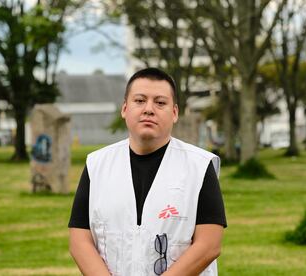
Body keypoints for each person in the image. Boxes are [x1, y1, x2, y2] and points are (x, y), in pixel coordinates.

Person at [68, 68, 227, 276]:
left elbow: (209, 244)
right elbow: (80, 240)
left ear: (175, 113)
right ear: (125, 108)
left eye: (160, 103)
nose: (149, 109)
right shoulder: (97, 164)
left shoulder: (199, 165)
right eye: (140, 100)